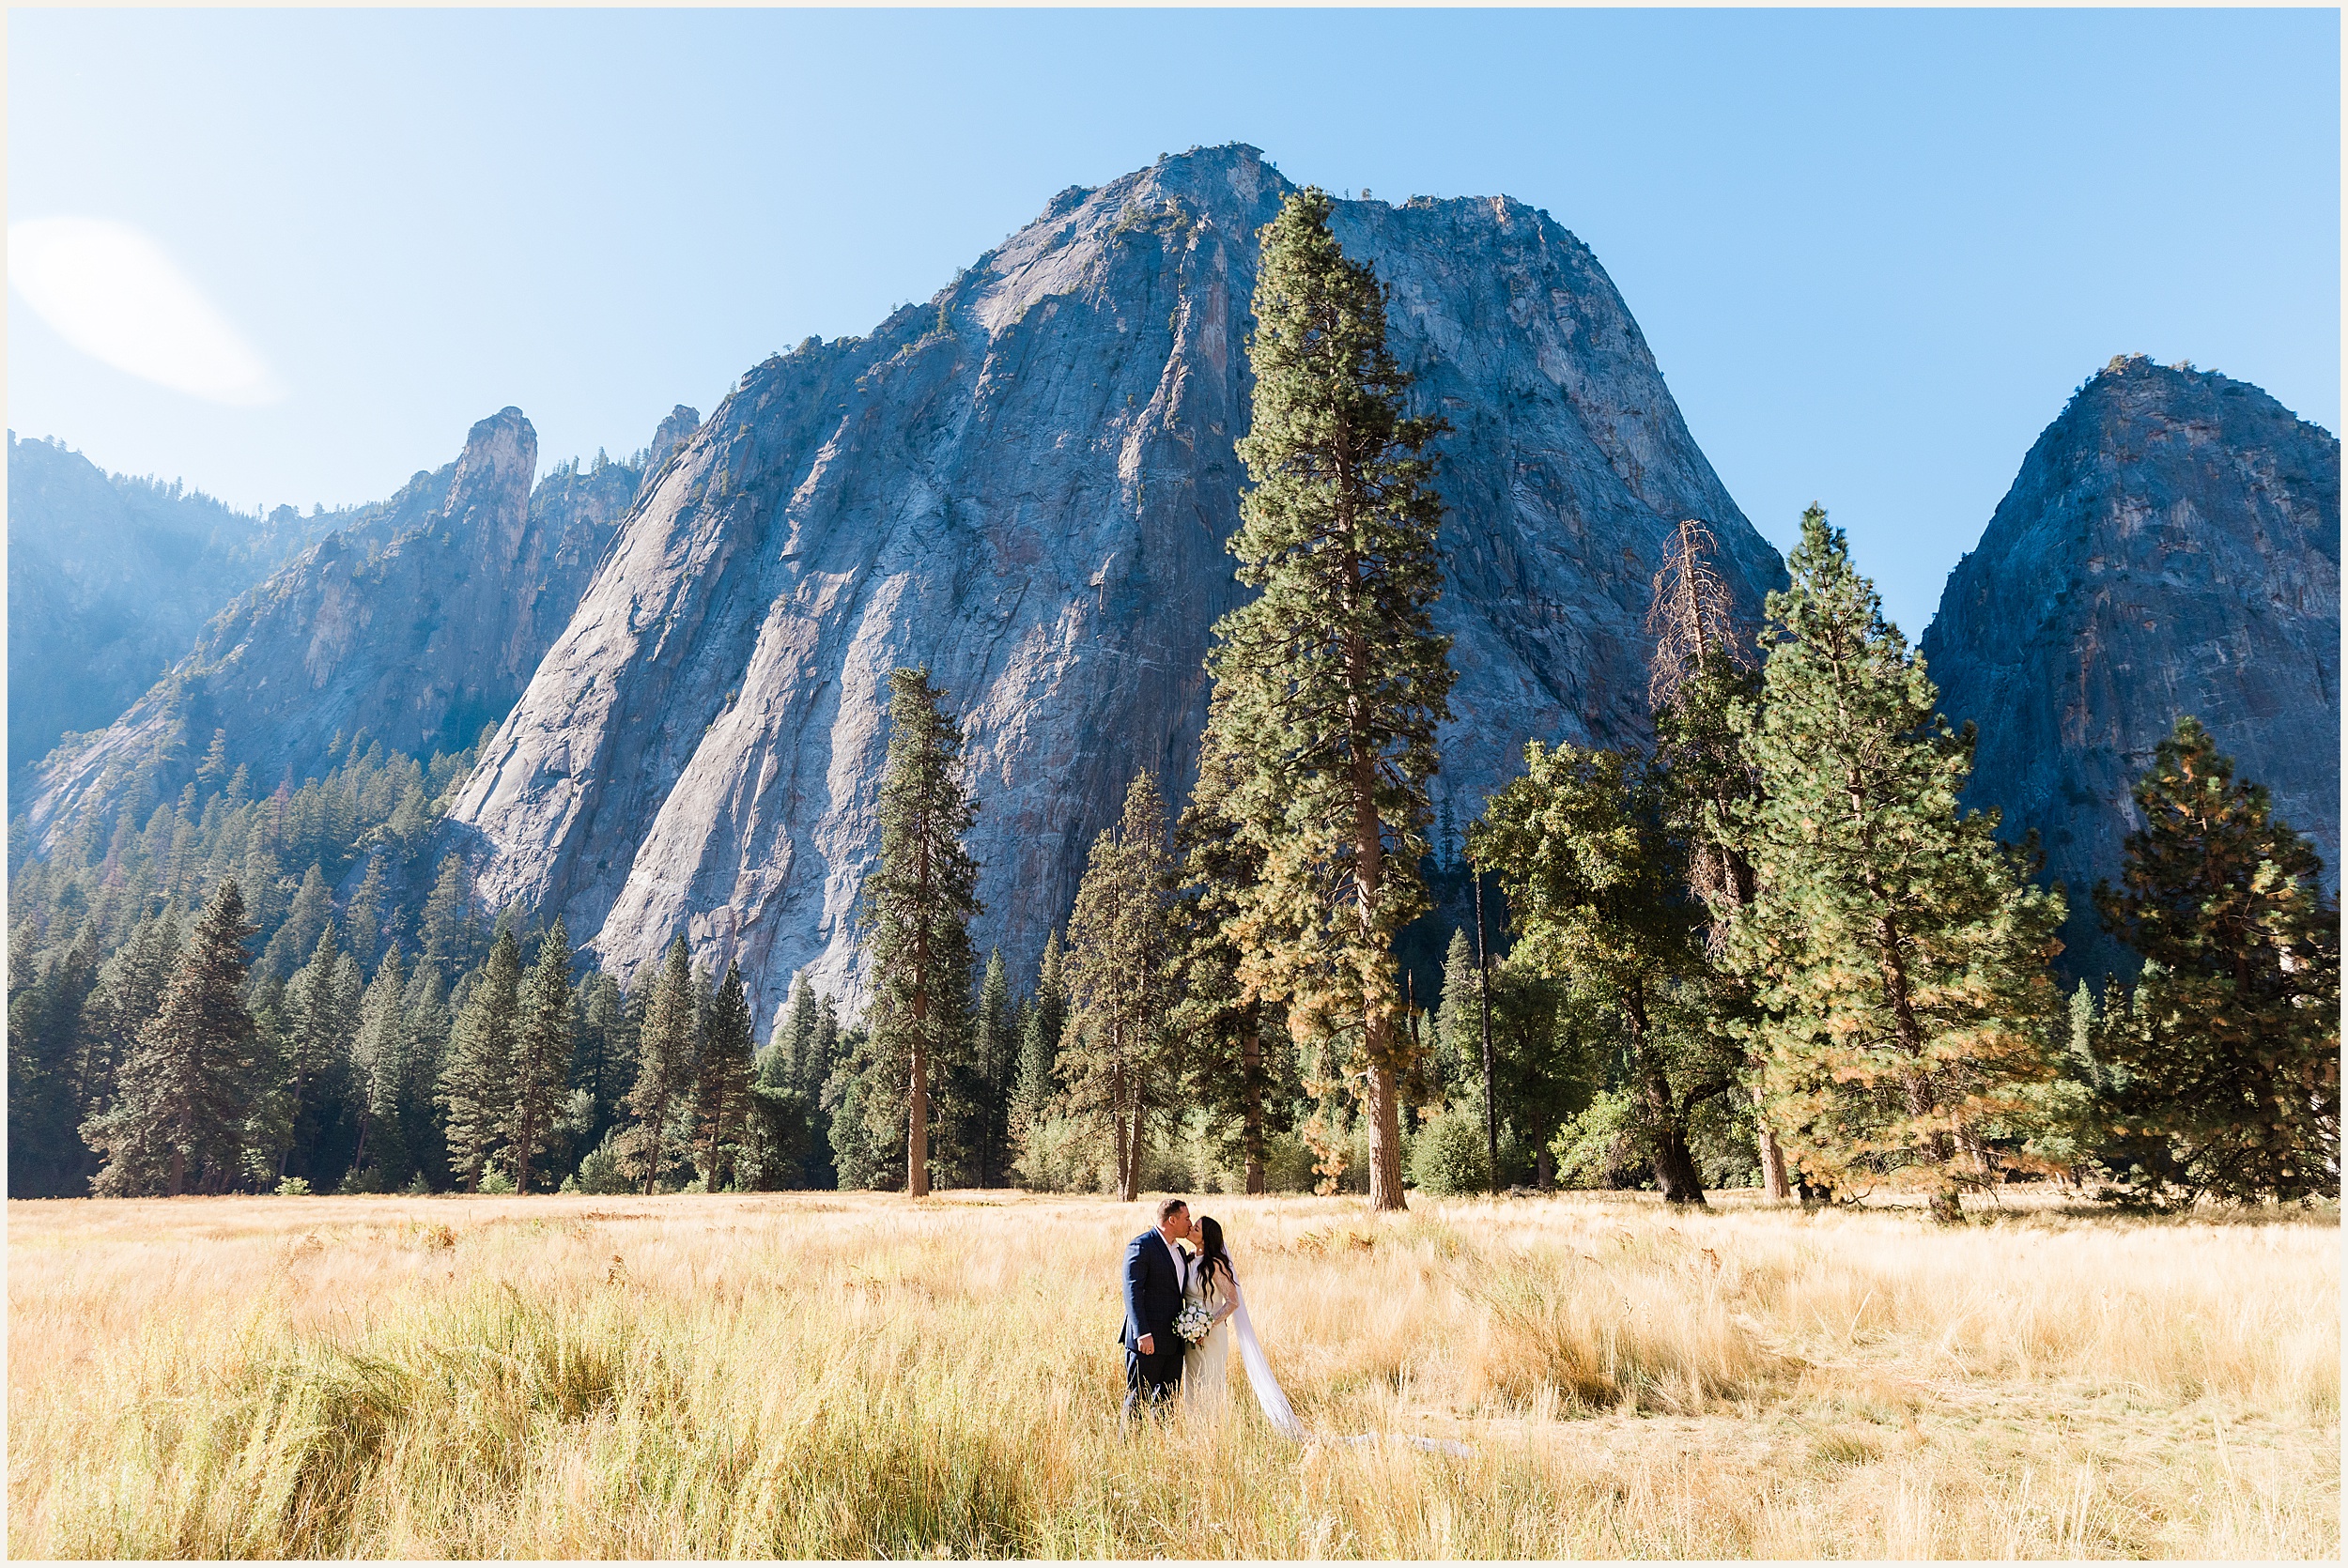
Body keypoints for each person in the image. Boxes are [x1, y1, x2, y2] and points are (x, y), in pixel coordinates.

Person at [1119, 1196, 1190, 1419]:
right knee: (1138, 1399)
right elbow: (1132, 1293)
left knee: (1167, 1401)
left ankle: (1161, 1447)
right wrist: (1142, 1333)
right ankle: (1129, 1449)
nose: (1190, 1223)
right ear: (1172, 1220)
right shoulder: (1141, 1246)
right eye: (1186, 1218)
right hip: (1147, 1341)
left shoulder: (1179, 1251)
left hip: (1173, 1342)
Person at [1182, 1215, 1240, 1416]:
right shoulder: (1187, 1258)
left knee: (1210, 1379)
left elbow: (1233, 1301)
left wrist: (1206, 1326)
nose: (1190, 1228)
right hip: (1189, 1331)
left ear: (1205, 1238)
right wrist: (1190, 1328)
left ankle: (1213, 1428)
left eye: (1196, 1228)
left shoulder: (1215, 1265)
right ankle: (1194, 1429)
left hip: (1210, 1334)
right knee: (1192, 1378)